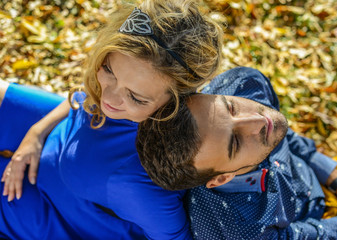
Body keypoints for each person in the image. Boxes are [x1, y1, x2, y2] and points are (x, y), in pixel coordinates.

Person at [0, 0, 223, 239]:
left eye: (135, 97)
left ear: (176, 104)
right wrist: (36, 133)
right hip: (60, 128)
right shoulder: (118, 97)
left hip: (48, 207)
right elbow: (85, 96)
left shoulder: (139, 181)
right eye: (108, 70)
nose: (108, 97)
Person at [137, 67, 337, 239]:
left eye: (231, 108)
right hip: (320, 223)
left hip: (317, 170)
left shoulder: (243, 84)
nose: (259, 120)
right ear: (221, 178)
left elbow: (285, 135)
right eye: (236, 141)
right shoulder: (238, 228)